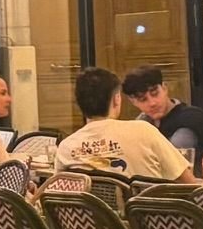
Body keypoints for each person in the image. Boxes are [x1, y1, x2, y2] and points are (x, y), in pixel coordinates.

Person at [59, 68, 192, 185]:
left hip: (94, 213)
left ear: (78, 105)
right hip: (145, 212)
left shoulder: (66, 148)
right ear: (117, 99)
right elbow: (188, 182)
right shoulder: (144, 131)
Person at [124, 66, 203, 162]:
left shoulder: (192, 117)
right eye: (143, 99)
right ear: (133, 102)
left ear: (164, 88)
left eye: (155, 93)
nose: (152, 103)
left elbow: (173, 160)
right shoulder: (140, 125)